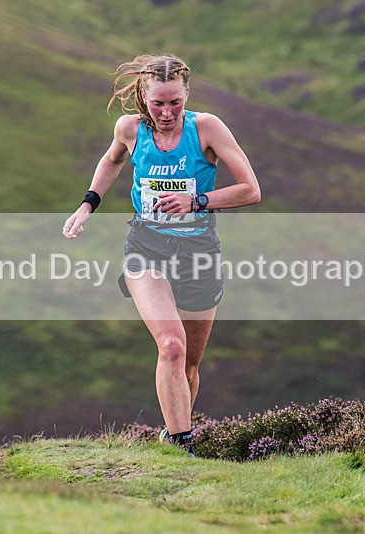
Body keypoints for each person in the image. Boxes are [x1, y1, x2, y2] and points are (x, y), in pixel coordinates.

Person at [62, 54, 260, 456]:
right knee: (171, 345)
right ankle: (183, 446)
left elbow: (250, 189)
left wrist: (197, 200)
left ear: (187, 96)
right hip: (145, 248)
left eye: (175, 103)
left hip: (199, 252)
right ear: (143, 97)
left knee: (189, 364)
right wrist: (87, 205)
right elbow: (112, 159)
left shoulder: (207, 128)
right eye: (158, 103)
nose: (167, 113)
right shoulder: (129, 129)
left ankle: (170, 436)